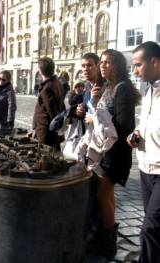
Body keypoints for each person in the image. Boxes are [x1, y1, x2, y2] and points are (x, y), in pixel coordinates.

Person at [89, 49, 140, 260]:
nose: (102, 66)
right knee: (106, 195)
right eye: (101, 62)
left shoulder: (123, 89)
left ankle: (108, 244)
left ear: (117, 65)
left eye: (107, 62)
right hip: (104, 150)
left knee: (104, 194)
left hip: (113, 153)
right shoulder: (109, 87)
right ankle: (106, 239)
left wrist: (96, 120)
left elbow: (124, 124)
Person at [127, 41, 160, 263]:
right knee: (156, 229)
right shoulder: (149, 89)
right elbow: (146, 122)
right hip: (146, 167)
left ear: (155, 62)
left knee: (149, 229)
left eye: (138, 65)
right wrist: (136, 134)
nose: (135, 70)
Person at [34, 57, 65, 150]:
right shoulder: (57, 83)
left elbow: (52, 113)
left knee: (46, 157)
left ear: (40, 71)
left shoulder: (47, 88)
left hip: (46, 131)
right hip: (52, 131)